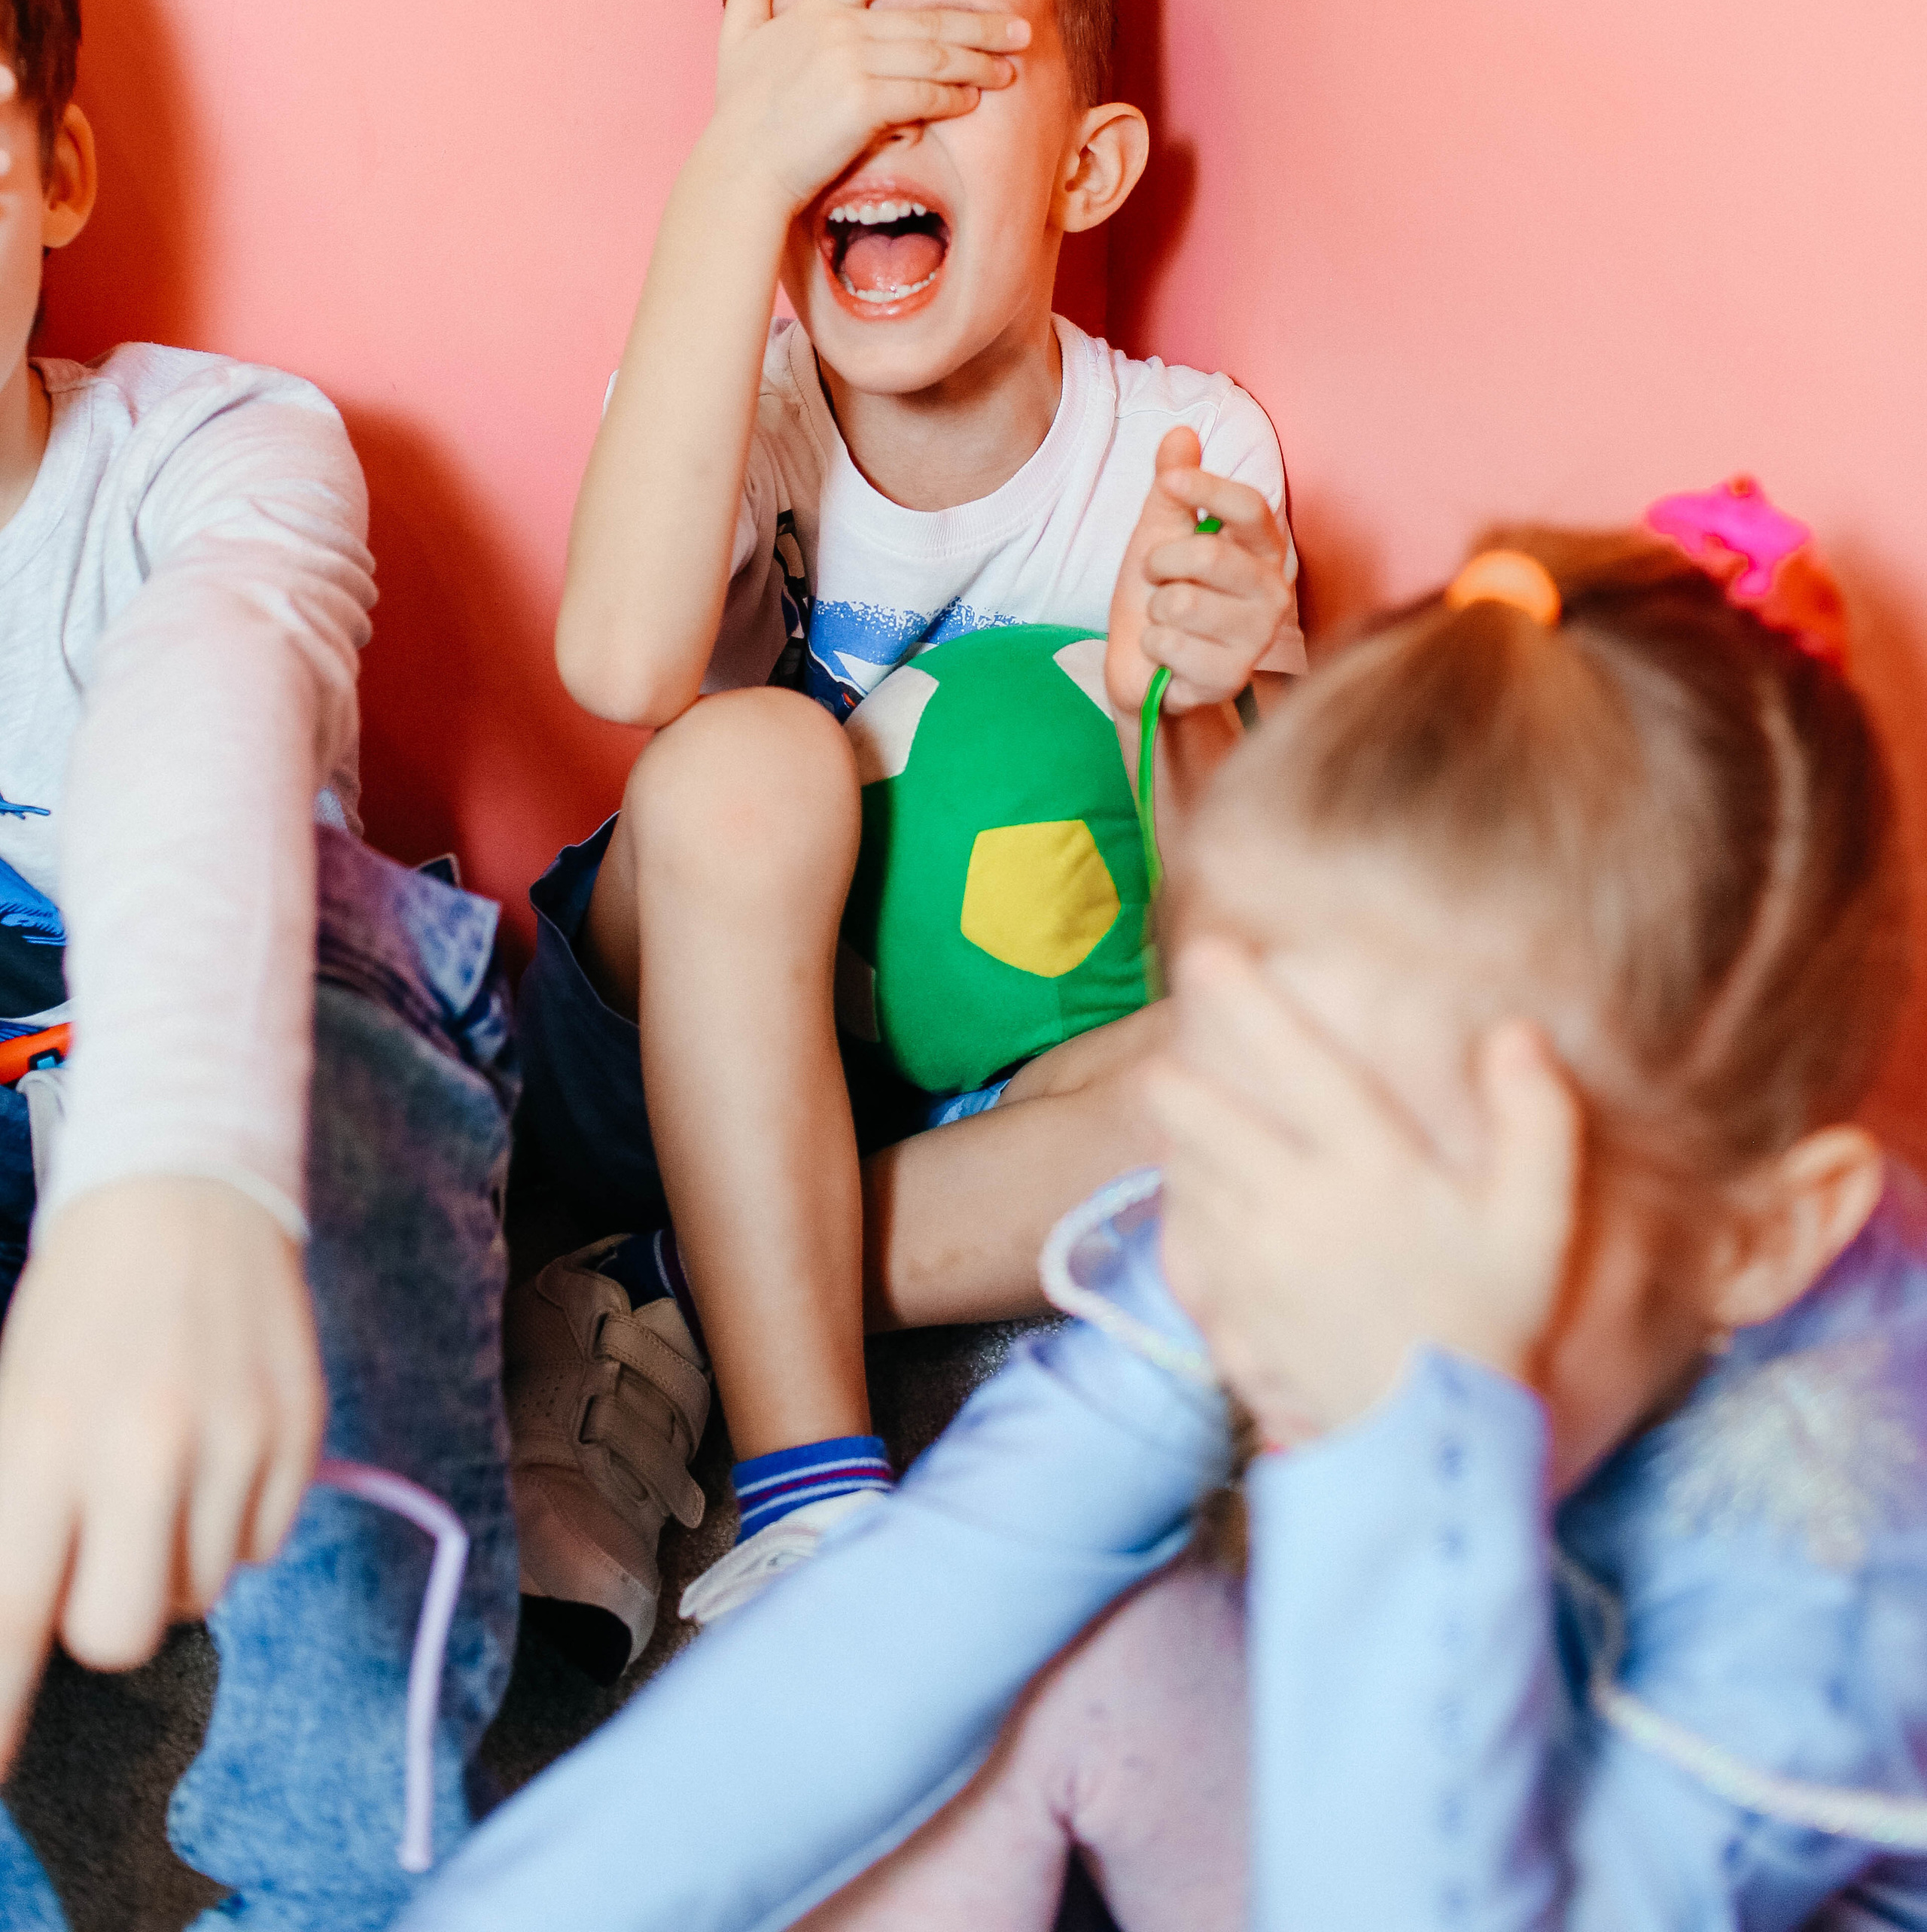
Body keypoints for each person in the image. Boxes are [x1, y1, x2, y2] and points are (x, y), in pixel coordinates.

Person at [403, 494, 1927, 1932]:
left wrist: (1397, 1441)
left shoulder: (1837, 1567)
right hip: (1397, 1785)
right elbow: (921, 1603)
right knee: (1056, 1647)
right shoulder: (1332, 1174)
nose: (1297, 1259)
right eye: (1267, 1107)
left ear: (1758, 1243)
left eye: (1417, 1244)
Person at [505, 0, 1304, 1674]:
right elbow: (624, 670)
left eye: (935, 60)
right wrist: (730, 178)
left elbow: (1209, 949)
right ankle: (814, 1487)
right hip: (667, 1026)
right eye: (814, 75)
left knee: (1283, 1072)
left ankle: (686, 1302)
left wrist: (1211, 685)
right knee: (748, 757)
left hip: (976, 1082)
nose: (864, 123)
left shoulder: (1185, 453)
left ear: (1090, 169)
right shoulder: (738, 386)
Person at [0, 0, 519, 1932]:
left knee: (305, 962)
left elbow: (203, 700)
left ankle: (350, 1870)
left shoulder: (220, 444)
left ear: (57, 171)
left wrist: (173, 1159)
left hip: (257, 1043)